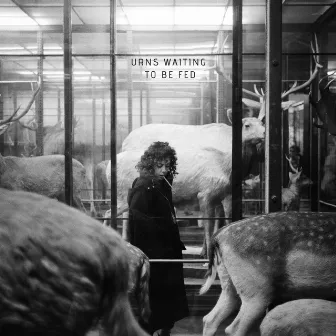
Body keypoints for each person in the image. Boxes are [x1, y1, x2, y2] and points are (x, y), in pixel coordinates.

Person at [127, 141, 189, 336]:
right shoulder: (143, 184)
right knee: (153, 293)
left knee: (168, 293)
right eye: (160, 165)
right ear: (150, 164)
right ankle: (151, 329)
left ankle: (165, 328)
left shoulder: (164, 182)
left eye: (167, 165)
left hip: (168, 248)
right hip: (153, 250)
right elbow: (137, 217)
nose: (164, 169)